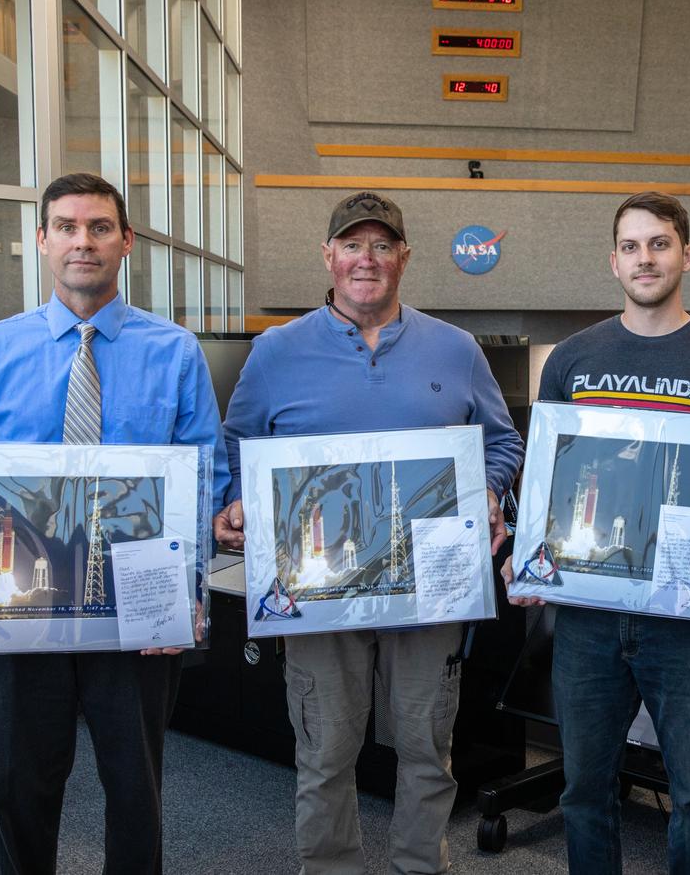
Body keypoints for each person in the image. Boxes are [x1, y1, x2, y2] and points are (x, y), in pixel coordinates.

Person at [0, 172, 230, 875]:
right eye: (69, 227)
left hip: (134, 607)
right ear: (43, 240)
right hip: (16, 605)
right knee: (19, 787)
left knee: (135, 789)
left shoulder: (174, 353)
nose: (85, 241)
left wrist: (187, 591)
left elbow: (205, 478)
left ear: (126, 242)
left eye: (101, 227)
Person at [213, 191, 524, 874]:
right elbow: (235, 448)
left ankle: (420, 865)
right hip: (318, 591)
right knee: (326, 752)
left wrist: (493, 491)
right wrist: (234, 502)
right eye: (352, 245)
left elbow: (502, 444)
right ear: (328, 256)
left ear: (404, 258)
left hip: (429, 587)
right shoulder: (275, 352)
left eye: (382, 246)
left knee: (425, 747)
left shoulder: (457, 348)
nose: (367, 259)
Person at [502, 191, 690, 875]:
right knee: (585, 792)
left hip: (684, 623)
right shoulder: (572, 359)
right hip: (587, 619)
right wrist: (527, 560)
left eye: (659, 243)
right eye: (631, 246)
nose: (645, 258)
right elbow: (546, 477)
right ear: (613, 260)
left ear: (687, 253)